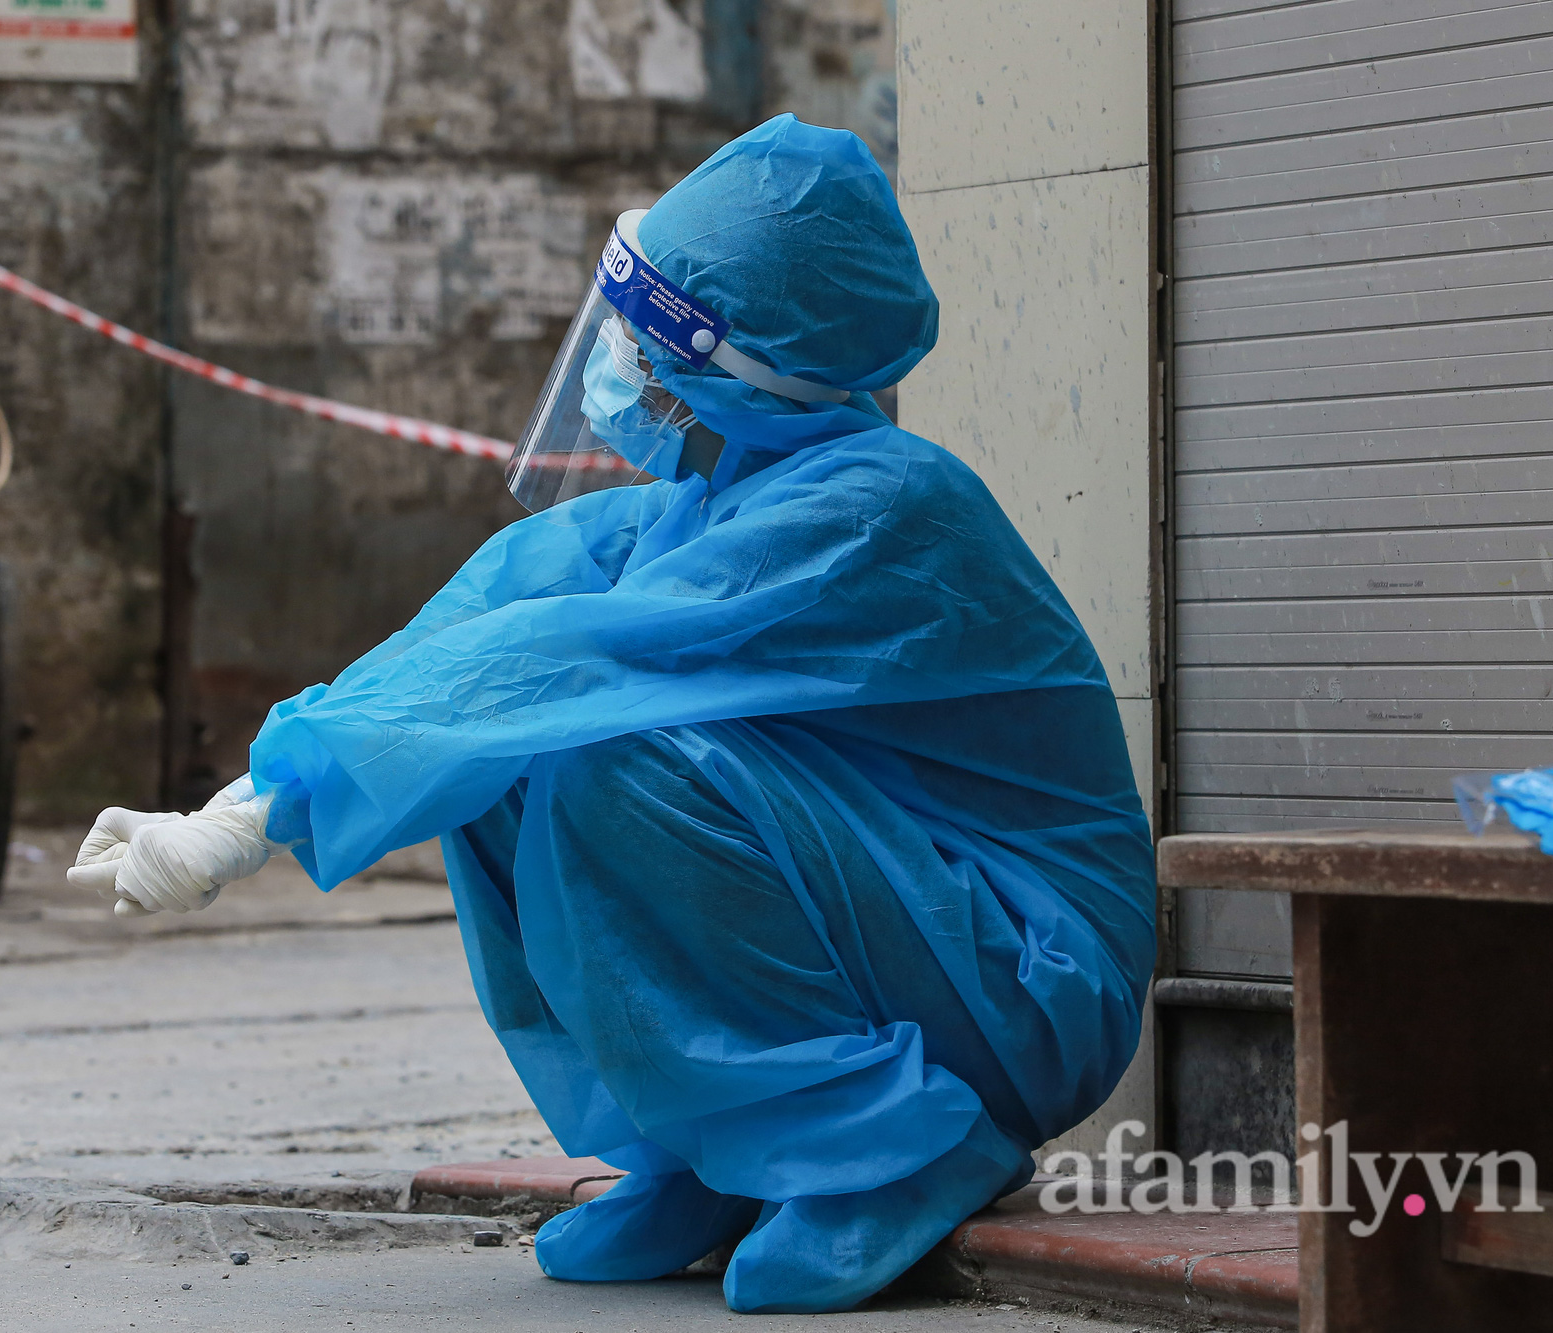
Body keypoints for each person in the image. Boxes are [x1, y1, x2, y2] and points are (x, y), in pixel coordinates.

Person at [69, 115, 1156, 1314]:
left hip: (1022, 968)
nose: (618, 374)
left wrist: (259, 826)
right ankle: (712, 1155)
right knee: (500, 764)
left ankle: (894, 1142)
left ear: (734, 361)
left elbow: (579, 656)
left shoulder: (880, 502)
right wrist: (243, 805)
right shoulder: (691, 504)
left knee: (609, 755)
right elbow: (477, 638)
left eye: (644, 348)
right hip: (914, 920)